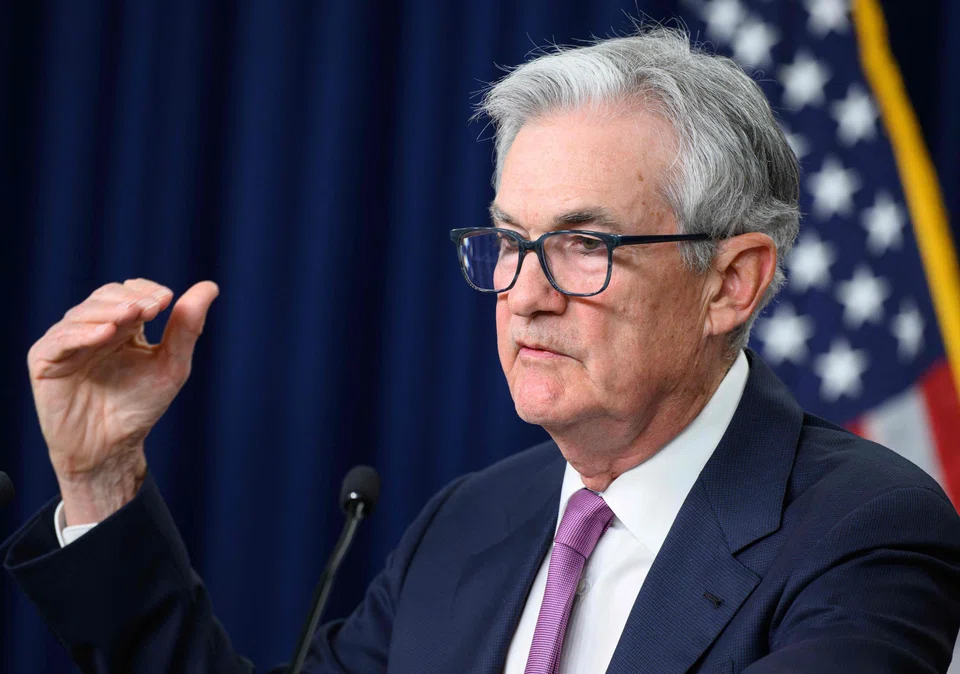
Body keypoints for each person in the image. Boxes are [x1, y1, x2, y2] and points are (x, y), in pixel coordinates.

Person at [4, 27, 960, 674]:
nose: (526, 295)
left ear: (732, 283)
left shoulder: (862, 529)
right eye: (509, 242)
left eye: (585, 245)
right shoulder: (470, 524)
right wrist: (101, 483)